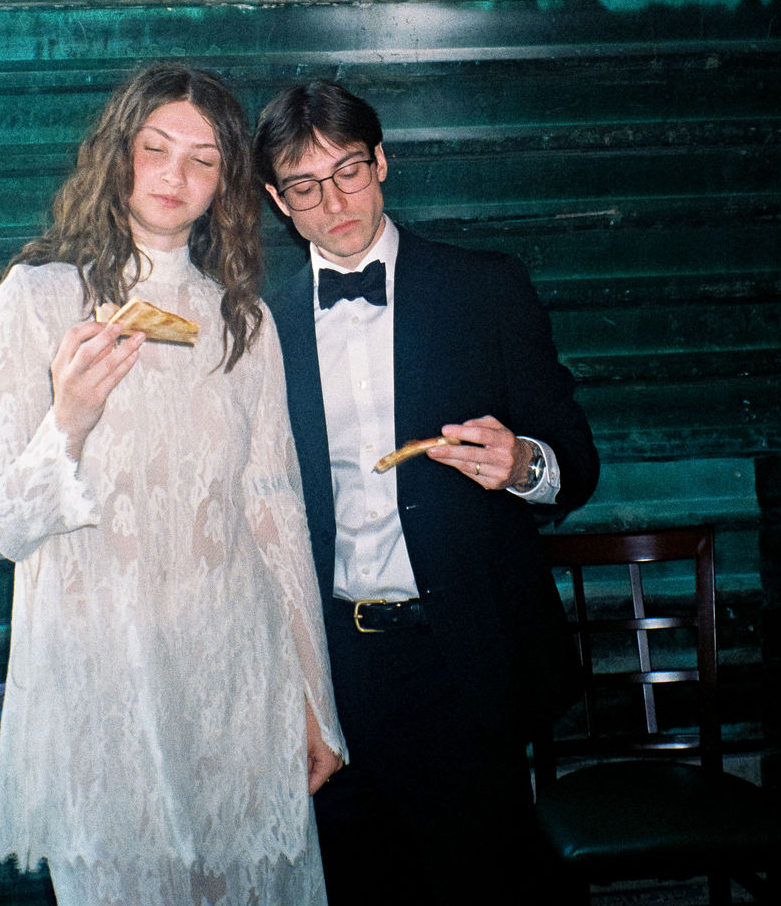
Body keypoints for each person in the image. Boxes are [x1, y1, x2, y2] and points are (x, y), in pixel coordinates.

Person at [0, 61, 344, 906]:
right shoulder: (35, 302)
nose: (175, 175)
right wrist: (69, 417)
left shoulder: (243, 321)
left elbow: (276, 518)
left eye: (203, 159)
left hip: (236, 687)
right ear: (118, 154)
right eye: (156, 148)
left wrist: (316, 702)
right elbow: (6, 527)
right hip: (105, 693)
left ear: (226, 184)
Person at [252, 79, 600, 906]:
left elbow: (577, 464)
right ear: (277, 200)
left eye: (348, 171)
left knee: (486, 884)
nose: (334, 202)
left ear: (381, 161)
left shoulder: (486, 289)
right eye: (305, 186)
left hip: (466, 656)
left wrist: (523, 465)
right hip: (333, 667)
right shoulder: (258, 327)